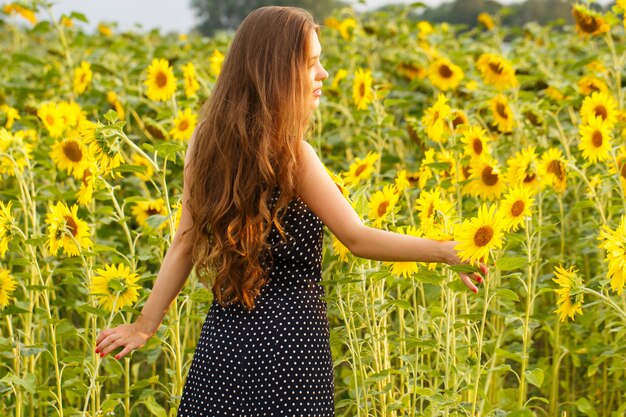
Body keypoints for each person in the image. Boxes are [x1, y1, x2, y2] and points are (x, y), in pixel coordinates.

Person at [95, 6, 488, 416]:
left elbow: (184, 243)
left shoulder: (205, 142)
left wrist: (144, 326)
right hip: (292, 349)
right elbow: (356, 237)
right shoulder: (293, 155)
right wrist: (444, 250)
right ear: (276, 73)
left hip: (225, 346)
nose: (324, 75)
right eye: (312, 64)